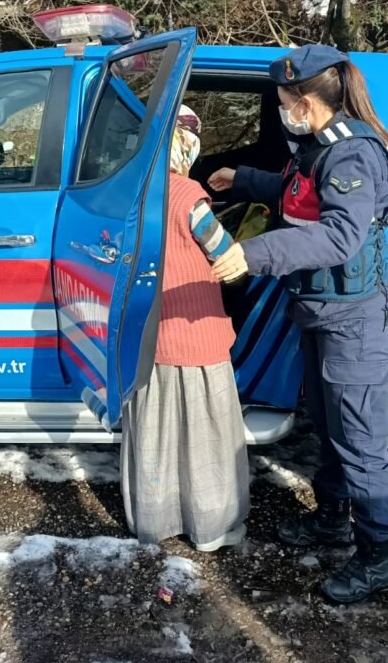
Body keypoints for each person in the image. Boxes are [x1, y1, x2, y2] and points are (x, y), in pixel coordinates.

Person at [208, 45, 388, 604]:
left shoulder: (351, 155)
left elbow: (340, 236)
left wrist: (253, 253)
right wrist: (242, 179)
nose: (281, 110)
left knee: (360, 441)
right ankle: (332, 519)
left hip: (355, 322)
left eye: (283, 101)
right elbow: (297, 194)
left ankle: (376, 560)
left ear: (305, 101)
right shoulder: (318, 147)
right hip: (324, 312)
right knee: (328, 424)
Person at [120, 105, 250, 552]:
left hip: (152, 334)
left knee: (158, 432)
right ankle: (211, 525)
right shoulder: (186, 193)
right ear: (185, 147)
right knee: (204, 433)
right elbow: (220, 248)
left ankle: (156, 519)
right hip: (195, 331)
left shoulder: (132, 190)